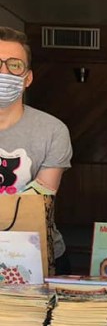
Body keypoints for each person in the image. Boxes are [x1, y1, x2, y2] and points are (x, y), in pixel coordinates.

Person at [0, 26, 72, 273]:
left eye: (15, 65)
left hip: (37, 254)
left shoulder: (52, 131)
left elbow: (38, 202)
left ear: (28, 78)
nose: (4, 72)